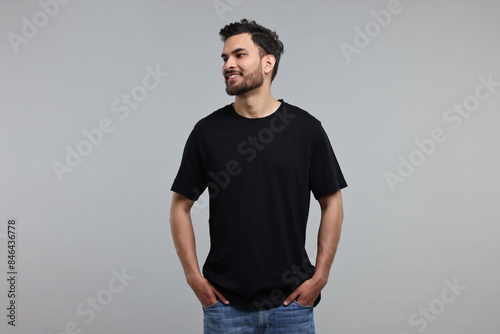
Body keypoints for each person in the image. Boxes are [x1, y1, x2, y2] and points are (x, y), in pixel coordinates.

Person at [169, 18, 347, 334]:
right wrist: (193, 277)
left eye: (239, 55)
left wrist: (320, 277)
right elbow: (179, 206)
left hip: (292, 307)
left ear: (268, 63)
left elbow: (332, 202)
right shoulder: (207, 133)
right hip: (226, 308)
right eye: (225, 58)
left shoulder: (305, 130)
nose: (228, 64)